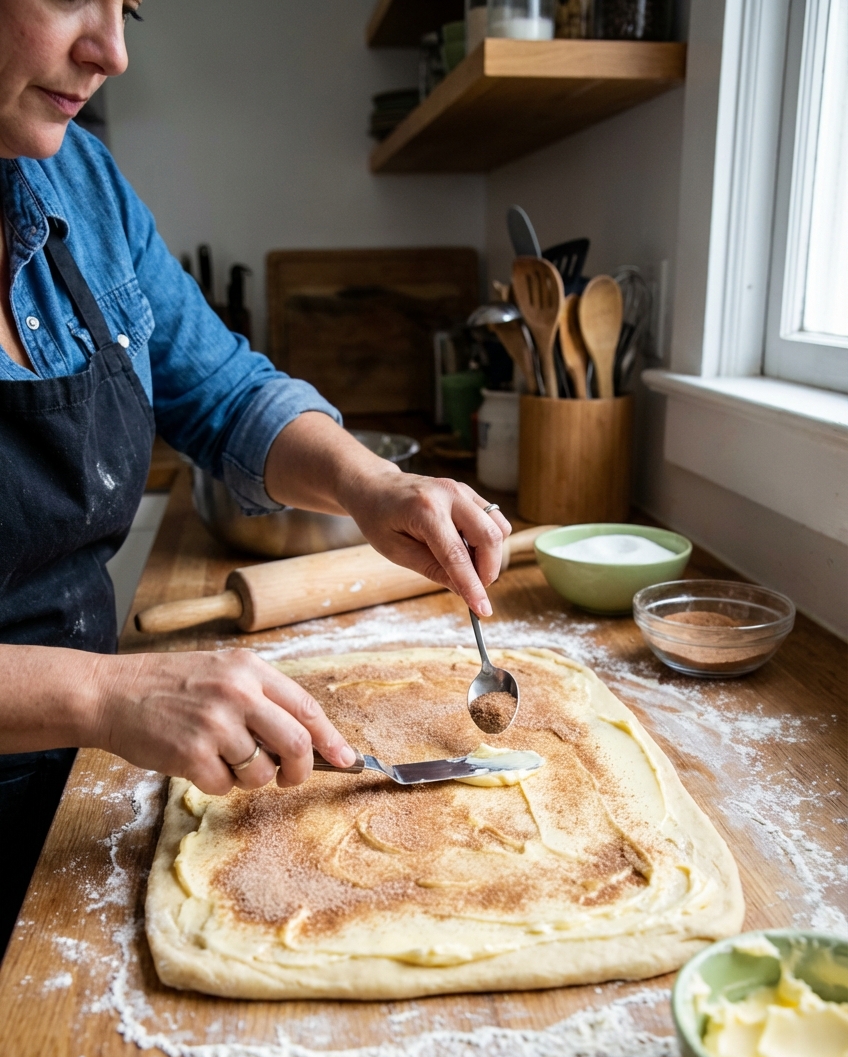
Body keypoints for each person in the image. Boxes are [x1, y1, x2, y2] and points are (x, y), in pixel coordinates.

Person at [0, 0, 510, 950]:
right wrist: (104, 696)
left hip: (73, 798)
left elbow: (225, 390)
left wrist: (372, 485)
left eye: (129, 6)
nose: (112, 50)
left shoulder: (85, 185)